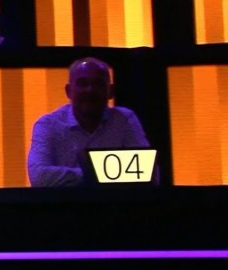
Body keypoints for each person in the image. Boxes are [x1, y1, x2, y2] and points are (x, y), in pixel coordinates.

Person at [28, 57, 154, 187]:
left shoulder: (124, 119)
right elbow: (38, 177)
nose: (90, 90)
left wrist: (85, 176)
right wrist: (99, 174)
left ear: (111, 91)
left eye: (98, 84)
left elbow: (148, 172)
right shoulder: (48, 125)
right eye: (82, 83)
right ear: (68, 91)